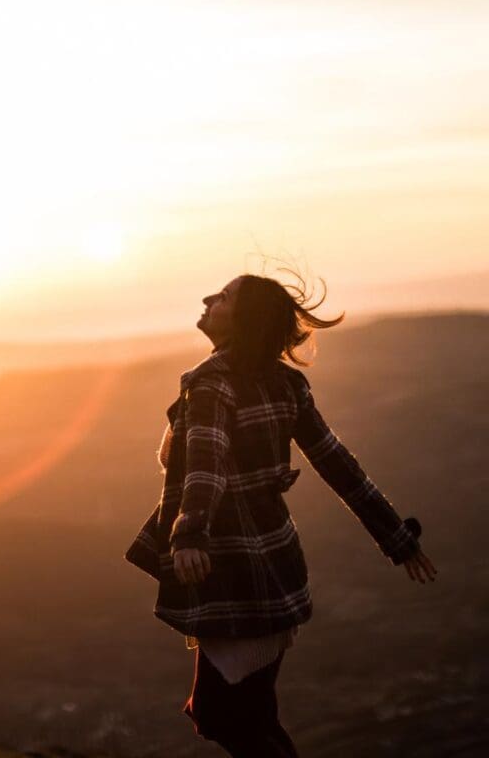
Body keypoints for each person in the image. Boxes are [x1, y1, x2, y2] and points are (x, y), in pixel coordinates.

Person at [125, 271, 437, 758]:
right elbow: (340, 466)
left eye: (224, 296)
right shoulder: (286, 383)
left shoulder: (211, 383)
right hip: (277, 569)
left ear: (243, 318)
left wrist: (189, 534)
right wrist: (395, 536)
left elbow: (205, 466)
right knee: (247, 715)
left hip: (229, 572)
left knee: (225, 717)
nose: (209, 298)